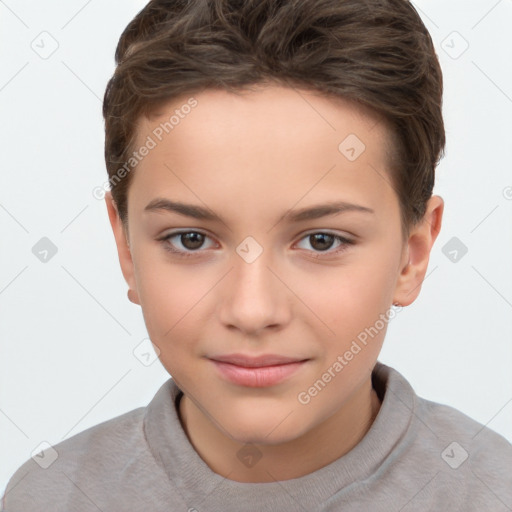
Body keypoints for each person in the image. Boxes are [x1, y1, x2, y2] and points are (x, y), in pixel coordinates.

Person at [2, 0, 511, 510]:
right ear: (127, 248)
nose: (252, 311)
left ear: (411, 256)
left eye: (321, 241)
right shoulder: (50, 496)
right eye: (191, 239)